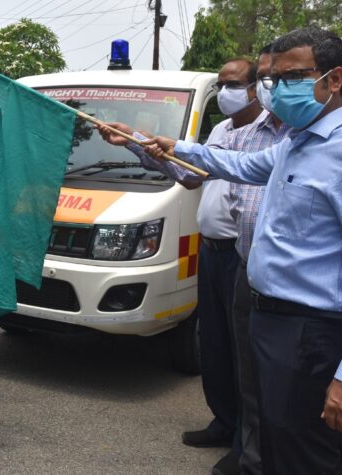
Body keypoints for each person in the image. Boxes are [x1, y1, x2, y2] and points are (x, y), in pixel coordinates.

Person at [132, 27, 342, 475]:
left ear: (334, 79)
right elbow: (240, 164)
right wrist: (175, 146)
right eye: (274, 80)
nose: (279, 90)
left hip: (312, 331)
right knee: (279, 436)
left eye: (293, 77)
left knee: (310, 452)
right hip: (271, 317)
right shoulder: (298, 142)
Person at [101, 57, 263, 475]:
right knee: (214, 344)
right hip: (212, 252)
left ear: (254, 88)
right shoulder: (222, 130)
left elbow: (224, 170)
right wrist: (135, 142)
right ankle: (224, 422)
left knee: (244, 354)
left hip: (245, 256)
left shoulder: (270, 135)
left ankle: (247, 445)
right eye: (222, 83)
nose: (225, 90)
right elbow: (190, 176)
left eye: (233, 83)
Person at [225, 45, 292, 475]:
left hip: (302, 302)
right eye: (268, 77)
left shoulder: (315, 141)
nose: (273, 87)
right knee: (251, 386)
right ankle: (251, 462)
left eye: (283, 78)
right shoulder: (252, 136)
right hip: (247, 274)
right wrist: (145, 144)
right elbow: (212, 163)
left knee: (294, 401)